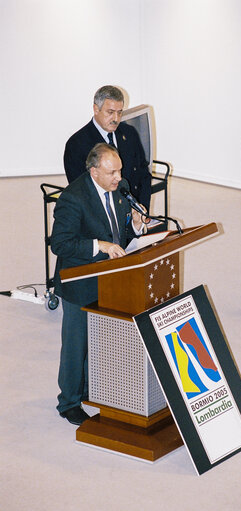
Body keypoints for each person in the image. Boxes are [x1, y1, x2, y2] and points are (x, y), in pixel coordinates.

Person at [51, 143, 146, 425]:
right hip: (78, 282)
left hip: (110, 281)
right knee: (76, 345)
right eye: (112, 172)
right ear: (94, 171)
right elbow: (60, 244)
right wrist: (99, 245)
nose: (119, 177)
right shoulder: (73, 198)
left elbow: (121, 233)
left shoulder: (120, 188)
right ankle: (69, 402)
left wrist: (138, 226)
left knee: (100, 341)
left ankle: (94, 391)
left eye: (119, 170)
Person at [64, 85, 152, 210]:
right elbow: (81, 192)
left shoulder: (129, 133)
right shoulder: (77, 144)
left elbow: (143, 175)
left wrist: (142, 209)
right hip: (103, 218)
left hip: (134, 213)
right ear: (96, 109)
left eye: (119, 112)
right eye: (110, 112)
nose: (116, 119)